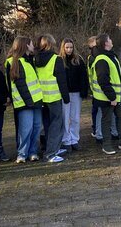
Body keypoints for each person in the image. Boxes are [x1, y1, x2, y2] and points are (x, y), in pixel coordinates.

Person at [92, 33, 121, 155]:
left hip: (116, 97)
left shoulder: (111, 56)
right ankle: (106, 145)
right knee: (106, 120)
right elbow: (103, 80)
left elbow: (115, 77)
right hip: (108, 98)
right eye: (110, 39)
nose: (112, 41)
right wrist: (112, 97)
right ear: (105, 43)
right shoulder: (102, 59)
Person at [5, 37, 43, 164]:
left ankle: (33, 152)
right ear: (26, 46)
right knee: (26, 129)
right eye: (31, 44)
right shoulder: (13, 62)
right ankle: (22, 153)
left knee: (36, 128)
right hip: (25, 103)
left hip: (36, 101)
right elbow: (20, 84)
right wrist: (29, 102)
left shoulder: (29, 60)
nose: (34, 46)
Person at [34, 34, 69, 163]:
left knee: (47, 125)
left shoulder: (35, 59)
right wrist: (66, 97)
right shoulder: (56, 59)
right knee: (57, 125)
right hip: (54, 97)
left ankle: (51, 148)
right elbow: (62, 80)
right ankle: (51, 153)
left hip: (41, 97)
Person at [60, 38, 89, 151]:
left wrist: (84, 91)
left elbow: (83, 77)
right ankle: (66, 140)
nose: (69, 50)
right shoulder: (59, 60)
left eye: (71, 47)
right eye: (67, 47)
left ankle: (74, 139)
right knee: (65, 117)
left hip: (76, 93)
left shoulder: (78, 60)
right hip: (65, 93)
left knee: (75, 118)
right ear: (63, 48)